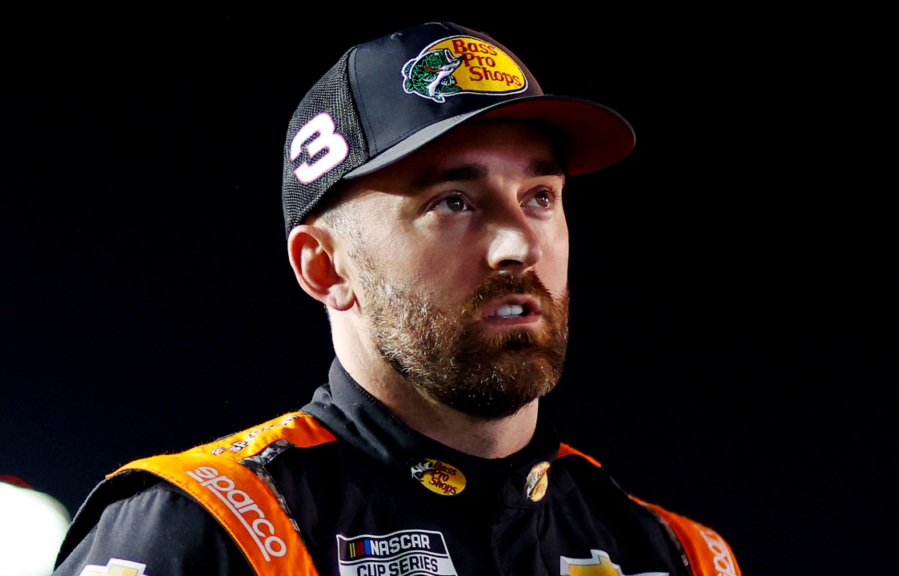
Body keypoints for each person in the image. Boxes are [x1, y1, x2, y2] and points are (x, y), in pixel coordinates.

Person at [53, 22, 741, 576]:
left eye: (540, 198)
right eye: (454, 202)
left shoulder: (680, 556)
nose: (516, 246)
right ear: (324, 267)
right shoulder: (205, 527)